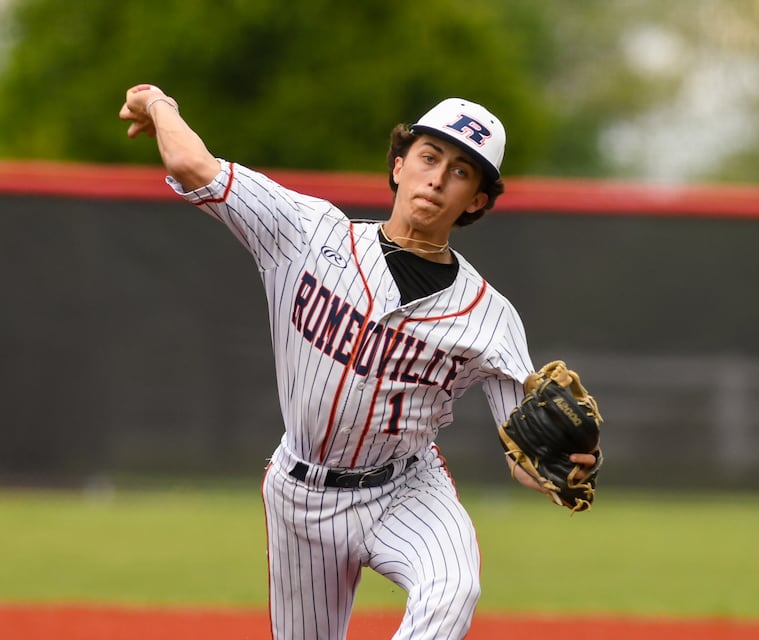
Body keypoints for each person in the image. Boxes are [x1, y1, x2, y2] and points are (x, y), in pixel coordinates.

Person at [119, 85, 600, 640]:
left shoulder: (490, 318)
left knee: (453, 588)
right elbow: (190, 163)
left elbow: (524, 455)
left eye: (462, 171)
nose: (438, 177)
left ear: (476, 201)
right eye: (429, 157)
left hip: (407, 489)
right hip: (301, 496)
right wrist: (159, 104)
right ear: (399, 166)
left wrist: (559, 471)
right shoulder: (304, 232)